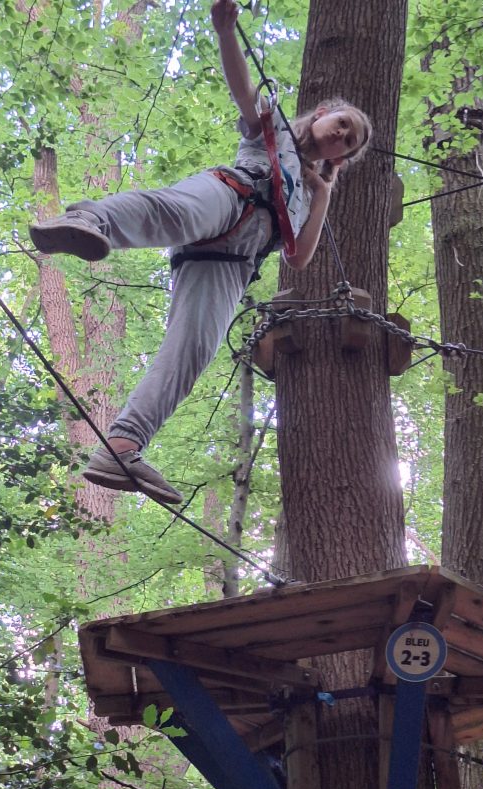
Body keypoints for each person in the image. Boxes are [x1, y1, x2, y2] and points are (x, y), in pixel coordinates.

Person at [28, 0, 372, 504]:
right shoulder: (273, 124)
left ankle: (122, 445)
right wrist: (225, 30)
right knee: (176, 212)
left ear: (342, 156)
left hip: (234, 263)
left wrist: (322, 193)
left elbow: (298, 258)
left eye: (350, 141)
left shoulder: (308, 193)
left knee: (194, 350)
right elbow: (243, 91)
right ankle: (88, 219)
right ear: (323, 114)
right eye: (342, 123)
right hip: (228, 195)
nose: (341, 135)